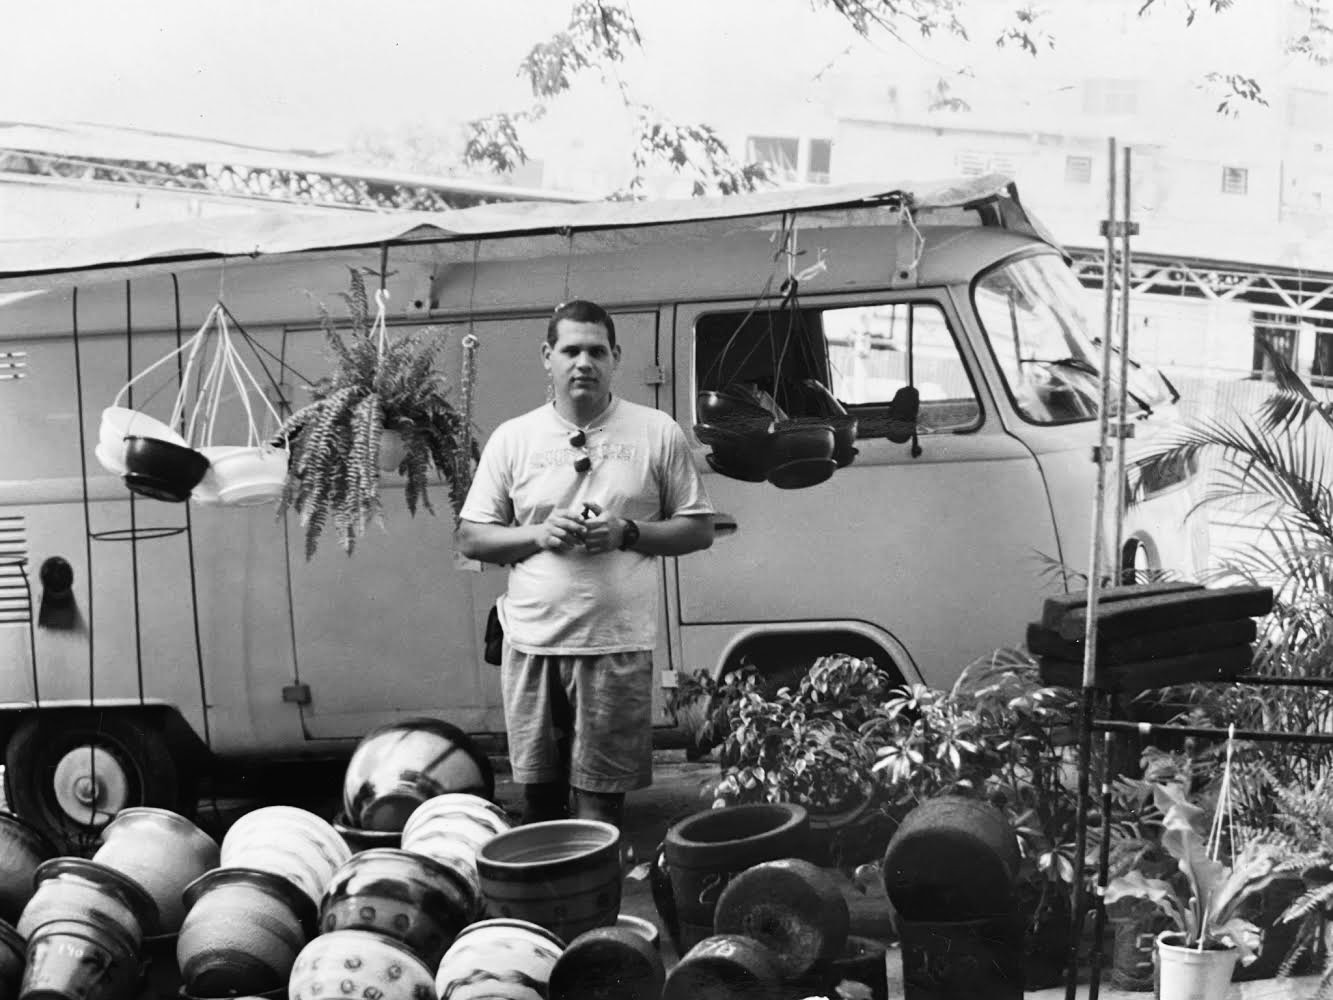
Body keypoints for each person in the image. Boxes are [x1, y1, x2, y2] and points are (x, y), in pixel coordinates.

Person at [456, 299, 715, 828]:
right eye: (571, 350)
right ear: (546, 356)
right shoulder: (514, 437)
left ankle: (598, 883)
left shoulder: (656, 430)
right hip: (533, 644)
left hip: (615, 645)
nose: (583, 363)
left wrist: (627, 532)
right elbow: (471, 538)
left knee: (601, 808)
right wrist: (539, 533)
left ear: (615, 356)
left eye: (596, 351)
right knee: (540, 802)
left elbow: (699, 528)